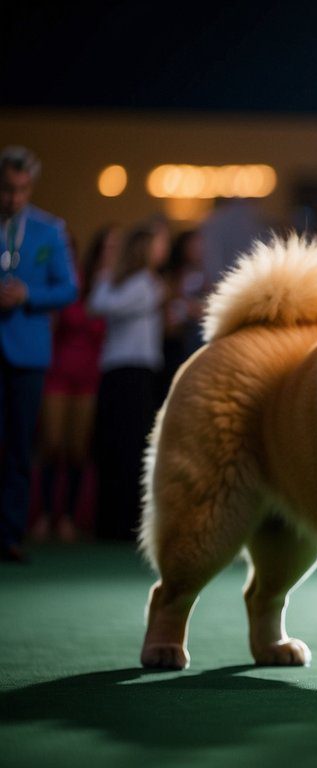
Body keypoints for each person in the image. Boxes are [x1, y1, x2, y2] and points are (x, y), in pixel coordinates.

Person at [0, 146, 78, 563]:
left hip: (28, 355)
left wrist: (29, 295)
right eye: (7, 189)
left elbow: (68, 288)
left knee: (19, 448)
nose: (13, 198)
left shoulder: (49, 231)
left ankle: (10, 535)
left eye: (21, 190)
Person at [34, 227, 115, 542]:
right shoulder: (70, 284)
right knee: (51, 445)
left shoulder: (107, 288)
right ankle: (43, 516)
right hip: (57, 373)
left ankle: (67, 517)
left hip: (90, 377)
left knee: (78, 450)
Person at [88, 221, 169, 541]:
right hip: (128, 374)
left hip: (131, 372)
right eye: (159, 243)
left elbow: (102, 304)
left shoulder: (140, 283)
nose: (163, 249)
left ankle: (117, 523)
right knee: (127, 447)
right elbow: (101, 306)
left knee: (125, 447)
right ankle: (120, 526)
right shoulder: (145, 285)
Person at [160, 229, 209, 393]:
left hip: (197, 339)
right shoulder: (172, 276)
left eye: (200, 245)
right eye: (194, 245)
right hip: (176, 342)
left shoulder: (203, 275)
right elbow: (169, 306)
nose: (199, 249)